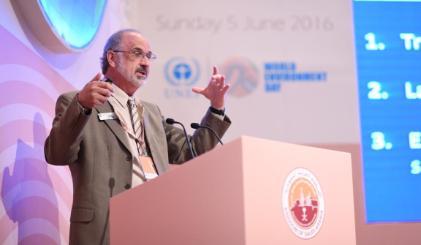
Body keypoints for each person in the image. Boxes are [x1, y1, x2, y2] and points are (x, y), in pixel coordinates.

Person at [44, 29, 231, 245]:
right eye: (137, 53)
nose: (146, 63)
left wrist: (217, 107)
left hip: (152, 226)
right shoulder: (78, 103)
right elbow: (57, 154)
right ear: (112, 58)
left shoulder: (150, 113)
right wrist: (82, 105)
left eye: (149, 56)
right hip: (104, 229)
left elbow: (193, 150)